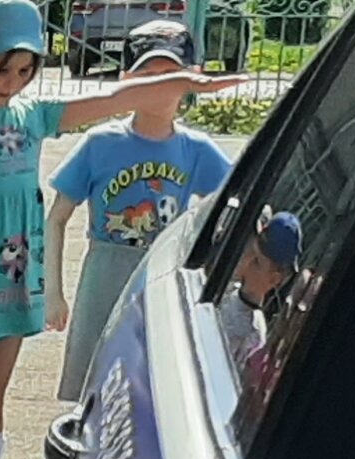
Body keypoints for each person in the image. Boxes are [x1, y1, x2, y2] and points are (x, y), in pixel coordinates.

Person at [0, 0, 237, 459]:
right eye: (1, 69)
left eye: (25, 72)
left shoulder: (33, 117)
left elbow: (112, 98)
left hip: (14, 278)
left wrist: (185, 82)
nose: (12, 83)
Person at [46, 21, 231, 405]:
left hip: (160, 274)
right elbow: (57, 217)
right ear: (128, 80)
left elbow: (235, 205)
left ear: (193, 79)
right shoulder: (101, 143)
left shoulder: (196, 149)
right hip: (106, 271)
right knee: (93, 385)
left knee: (154, 386)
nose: (160, 88)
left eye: (171, 76)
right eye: (148, 76)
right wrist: (53, 292)